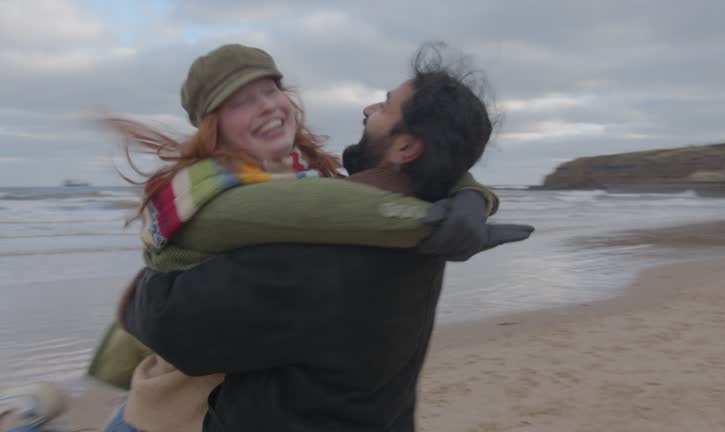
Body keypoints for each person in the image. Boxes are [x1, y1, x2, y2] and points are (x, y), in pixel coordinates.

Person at [0, 43, 531, 432]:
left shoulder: (322, 217)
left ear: (406, 148)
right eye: (241, 101)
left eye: (271, 89)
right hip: (206, 405)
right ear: (214, 125)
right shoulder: (405, 216)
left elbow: (171, 325)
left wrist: (139, 290)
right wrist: (467, 199)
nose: (368, 109)